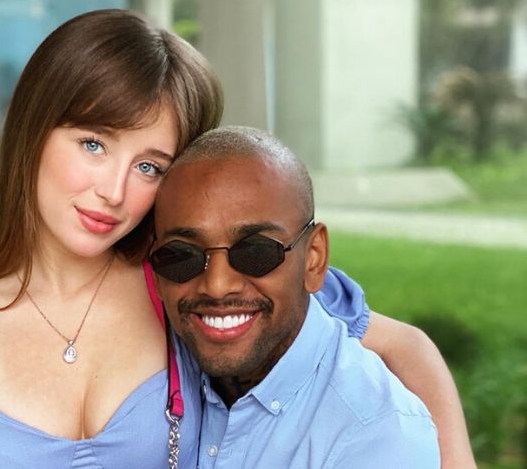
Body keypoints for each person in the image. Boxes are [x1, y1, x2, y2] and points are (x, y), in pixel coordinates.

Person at [0, 9, 472, 468]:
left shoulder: (192, 282)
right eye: (93, 144)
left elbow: (405, 346)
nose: (113, 191)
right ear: (34, 129)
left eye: (150, 165)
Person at [150, 126, 441, 468]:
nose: (217, 285)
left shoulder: (378, 437)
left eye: (256, 252)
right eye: (181, 256)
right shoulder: (153, 372)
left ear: (313, 259)